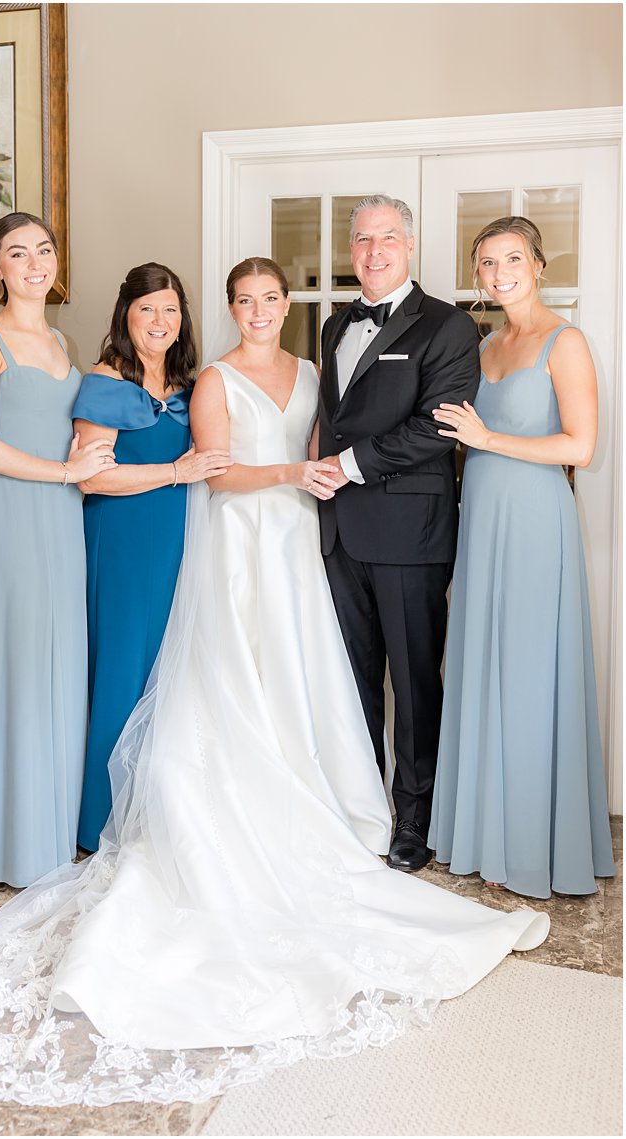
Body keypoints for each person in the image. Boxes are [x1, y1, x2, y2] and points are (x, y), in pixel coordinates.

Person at [0, 256, 547, 1106]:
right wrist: (289, 477)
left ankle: (326, 803)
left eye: (272, 299)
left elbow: (327, 446)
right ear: (226, 309)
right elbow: (214, 467)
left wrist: (324, 483)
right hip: (232, 541)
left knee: (301, 682)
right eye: (246, 299)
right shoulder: (193, 380)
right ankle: (132, 818)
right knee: (212, 679)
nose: (261, 309)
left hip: (300, 547)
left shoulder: (311, 367)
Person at [428, 216, 615, 898]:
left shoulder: (566, 342)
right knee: (480, 662)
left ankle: (536, 842)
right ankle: (481, 833)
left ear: (537, 264)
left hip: (536, 520)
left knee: (532, 669)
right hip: (480, 517)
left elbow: (580, 448)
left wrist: (488, 437)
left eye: (511, 258)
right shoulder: (482, 346)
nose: (499, 271)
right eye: (486, 262)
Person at [0, 211, 115, 887]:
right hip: (11, 515)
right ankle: (6, 843)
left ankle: (47, 833)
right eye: (18, 253)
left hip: (62, 519)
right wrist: (66, 473)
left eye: (43, 249)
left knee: (57, 663)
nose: (35, 262)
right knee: (17, 661)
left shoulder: (60, 338)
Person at [315, 194, 481, 873]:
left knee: (414, 684)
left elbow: (438, 424)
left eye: (386, 238)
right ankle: (361, 808)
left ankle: (415, 819)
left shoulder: (447, 325)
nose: (373, 251)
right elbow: (335, 416)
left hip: (411, 533)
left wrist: (348, 464)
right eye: (362, 239)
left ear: (409, 245)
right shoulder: (330, 327)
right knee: (349, 682)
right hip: (337, 534)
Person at [70, 264, 230, 851]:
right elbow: (92, 479)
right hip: (121, 539)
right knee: (121, 671)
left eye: (169, 309)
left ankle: (153, 806)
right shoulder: (106, 381)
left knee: (167, 671)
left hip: (174, 539)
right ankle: (101, 821)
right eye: (146, 309)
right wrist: (174, 472)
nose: (159, 321)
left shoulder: (190, 385)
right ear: (126, 316)